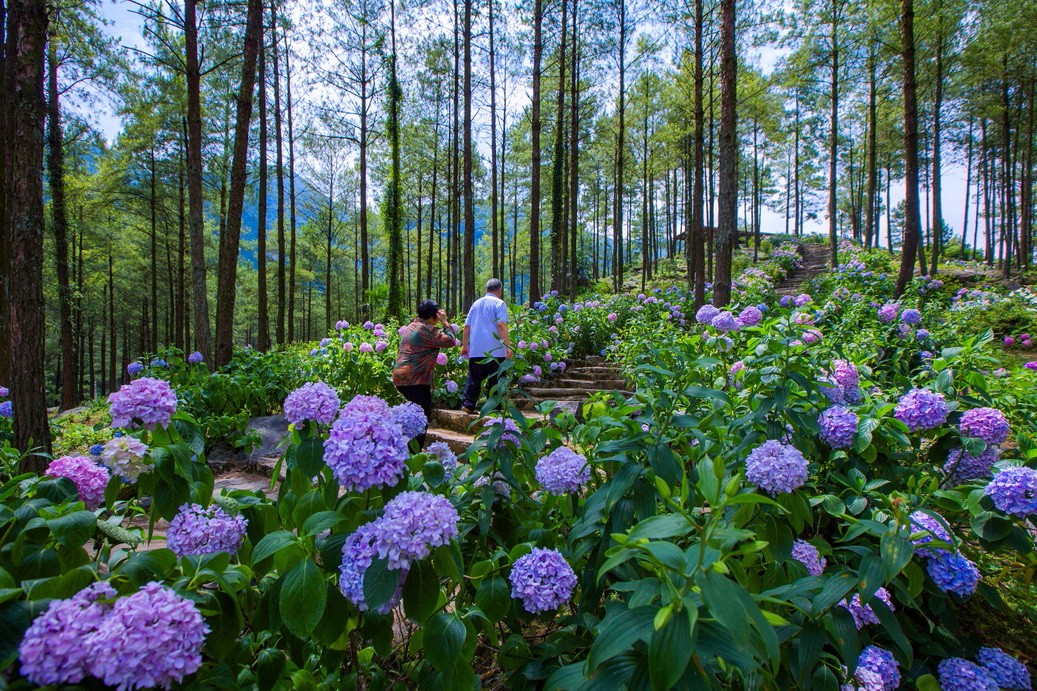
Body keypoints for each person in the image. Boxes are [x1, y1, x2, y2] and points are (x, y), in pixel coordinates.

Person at [392, 300, 458, 448]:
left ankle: (407, 450)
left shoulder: (411, 326)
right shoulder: (426, 329)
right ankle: (413, 454)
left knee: (413, 415)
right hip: (415, 380)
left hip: (400, 378)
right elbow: (451, 341)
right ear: (433, 315)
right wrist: (445, 322)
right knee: (421, 418)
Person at [460, 278, 513, 414]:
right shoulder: (499, 303)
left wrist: (465, 346)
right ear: (499, 290)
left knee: (474, 379)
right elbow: (501, 325)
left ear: (487, 289)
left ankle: (468, 404)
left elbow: (466, 327)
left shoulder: (475, 304)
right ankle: (494, 409)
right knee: (496, 380)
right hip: (496, 350)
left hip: (477, 349)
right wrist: (508, 346)